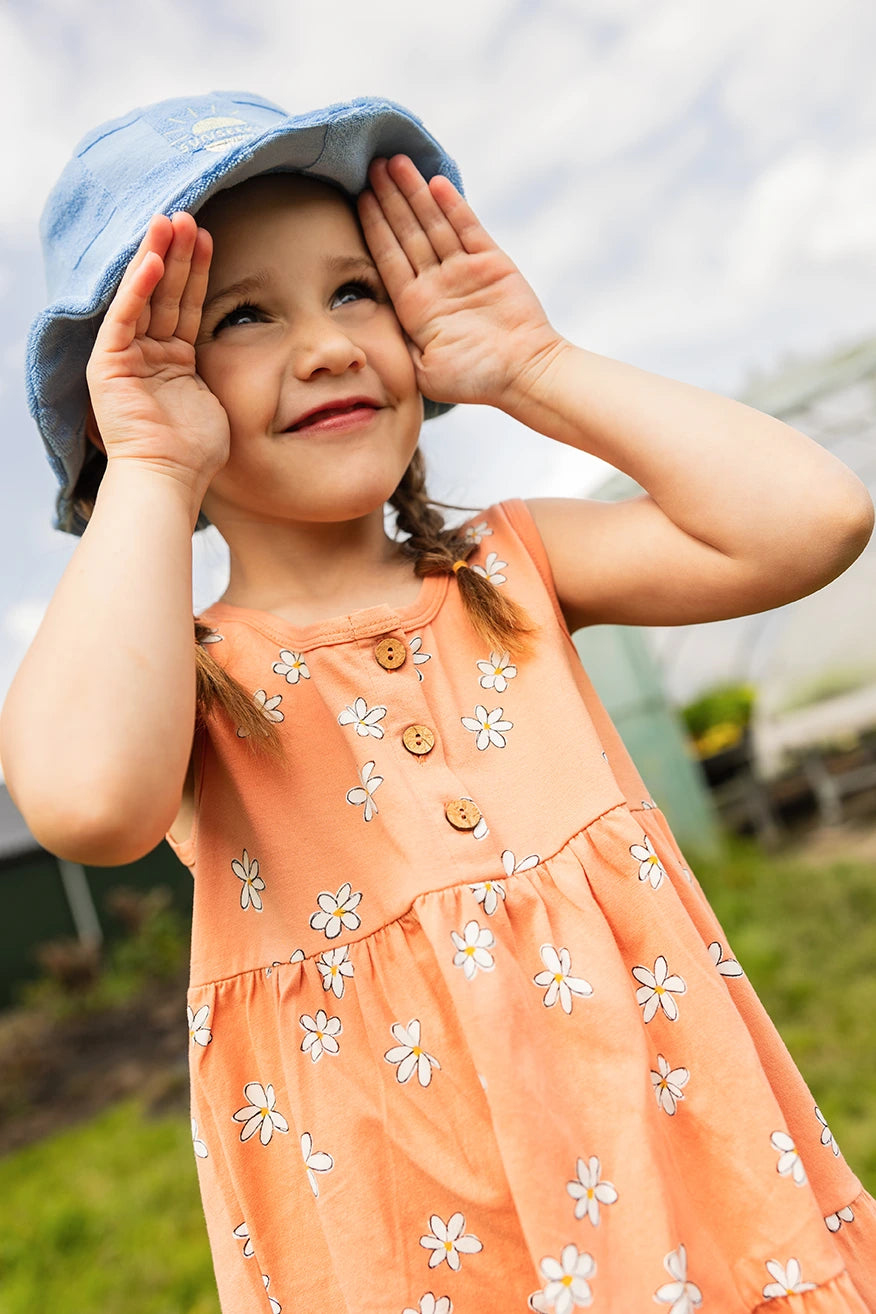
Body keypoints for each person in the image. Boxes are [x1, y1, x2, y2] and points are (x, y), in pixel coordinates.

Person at [2, 90, 874, 1314]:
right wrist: (150, 464)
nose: (328, 345)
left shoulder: (511, 568)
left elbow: (815, 518)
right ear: (140, 389)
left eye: (356, 291)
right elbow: (85, 802)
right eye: (244, 313)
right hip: (429, 1261)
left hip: (696, 1214)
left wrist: (534, 365)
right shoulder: (188, 676)